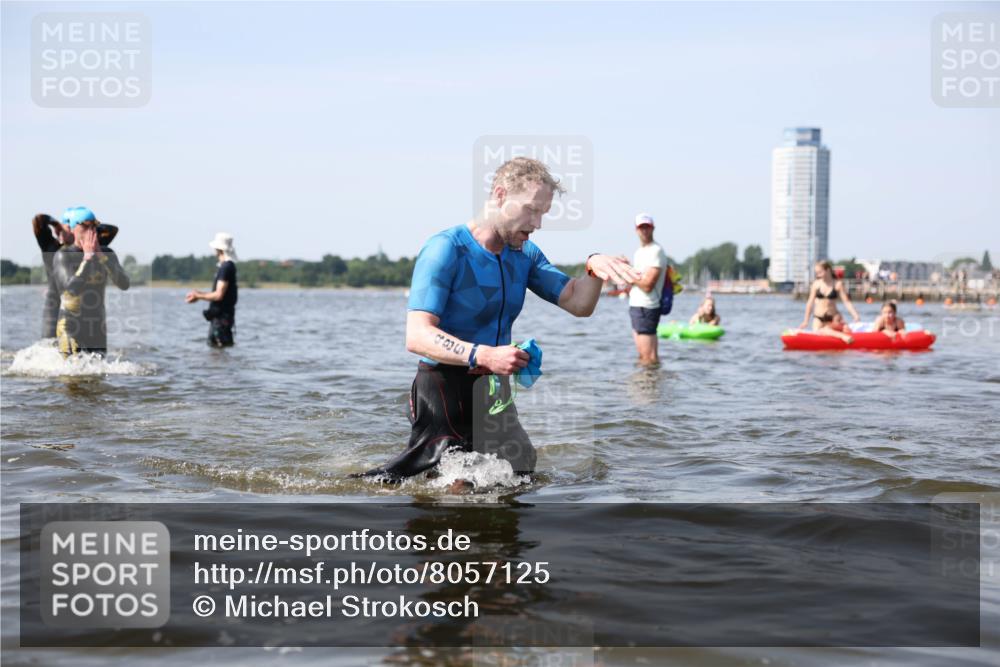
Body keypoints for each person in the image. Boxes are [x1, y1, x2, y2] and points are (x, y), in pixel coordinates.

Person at [354, 157, 641, 485]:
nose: (537, 223)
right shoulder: (446, 249)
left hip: (493, 387)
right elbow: (417, 336)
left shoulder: (525, 255)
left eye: (543, 214)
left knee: (520, 472)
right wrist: (485, 354)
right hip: (444, 386)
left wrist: (593, 267)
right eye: (532, 210)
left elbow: (578, 303)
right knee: (452, 482)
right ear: (501, 195)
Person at [51, 207, 130, 357]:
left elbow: (124, 284)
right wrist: (87, 259)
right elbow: (70, 289)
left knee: (97, 376)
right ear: (74, 229)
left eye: (93, 226)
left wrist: (100, 256)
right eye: (85, 226)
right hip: (70, 326)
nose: (90, 231)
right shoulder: (63, 255)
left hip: (97, 327)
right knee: (71, 375)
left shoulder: (107, 253)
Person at [628, 213, 669, 365]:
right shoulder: (639, 251)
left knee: (648, 357)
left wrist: (628, 274)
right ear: (636, 230)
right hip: (637, 305)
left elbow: (647, 285)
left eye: (647, 227)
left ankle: (647, 387)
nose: (644, 230)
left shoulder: (656, 251)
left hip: (647, 306)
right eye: (641, 227)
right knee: (644, 356)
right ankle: (647, 386)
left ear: (653, 228)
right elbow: (640, 280)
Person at [185, 233, 238, 347]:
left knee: (218, 352)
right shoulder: (226, 266)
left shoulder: (226, 267)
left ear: (219, 249)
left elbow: (219, 295)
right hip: (223, 317)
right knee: (220, 352)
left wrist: (198, 296)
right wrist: (199, 294)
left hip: (221, 319)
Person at [799, 260, 859, 343]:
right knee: (818, 332)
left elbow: (847, 302)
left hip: (833, 317)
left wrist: (855, 316)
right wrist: (806, 321)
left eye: (820, 272)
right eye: (816, 272)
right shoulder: (816, 284)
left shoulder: (838, 284)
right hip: (818, 317)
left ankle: (842, 333)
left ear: (827, 270)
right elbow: (810, 303)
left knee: (843, 329)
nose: (817, 275)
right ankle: (842, 336)